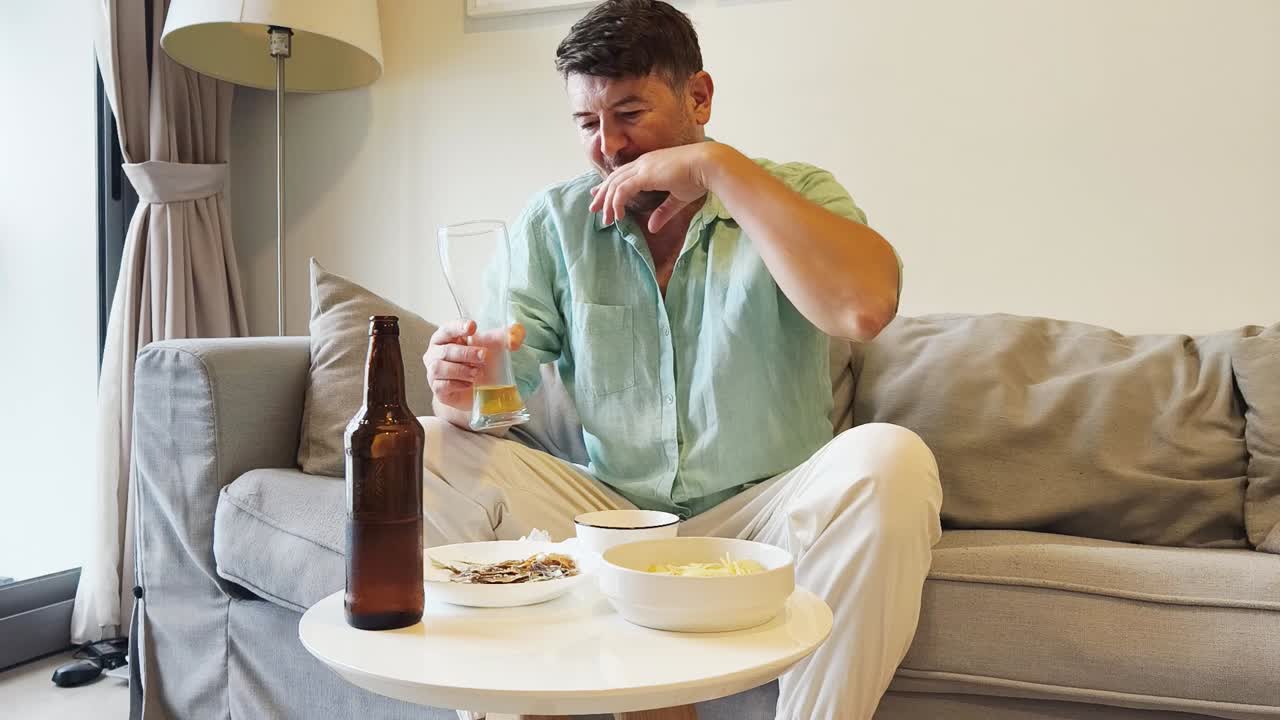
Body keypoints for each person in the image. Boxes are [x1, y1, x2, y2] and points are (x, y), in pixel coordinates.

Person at [421, 2, 942, 718]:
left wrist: (715, 167)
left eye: (629, 113)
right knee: (420, 444)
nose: (607, 145)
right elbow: (488, 403)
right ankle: (525, 694)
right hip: (612, 519)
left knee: (892, 459)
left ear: (699, 97)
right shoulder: (556, 221)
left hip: (764, 512)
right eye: (586, 123)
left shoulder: (794, 194)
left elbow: (864, 308)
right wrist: (463, 386)